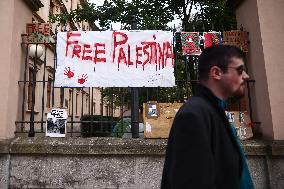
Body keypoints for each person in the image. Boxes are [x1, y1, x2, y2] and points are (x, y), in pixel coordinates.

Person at [161, 45, 254, 189]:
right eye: (240, 70)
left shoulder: (214, 111)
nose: (246, 76)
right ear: (216, 73)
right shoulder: (193, 115)